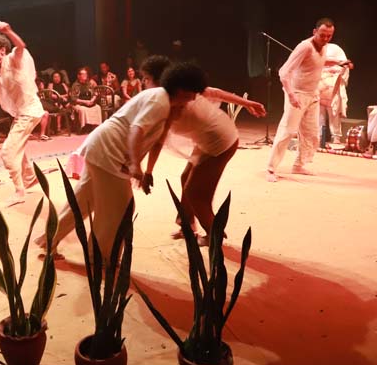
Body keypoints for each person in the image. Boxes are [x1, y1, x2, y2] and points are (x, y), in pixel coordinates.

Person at [38, 62, 207, 256]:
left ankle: (50, 241)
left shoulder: (167, 104)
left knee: (82, 202)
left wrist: (148, 171)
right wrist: (135, 165)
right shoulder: (159, 101)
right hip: (109, 153)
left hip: (102, 149)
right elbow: (136, 130)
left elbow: (157, 142)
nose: (194, 98)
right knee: (120, 209)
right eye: (192, 93)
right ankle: (101, 258)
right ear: (181, 89)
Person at [140, 57, 266, 245]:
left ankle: (214, 235)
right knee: (186, 178)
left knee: (196, 194)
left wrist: (148, 171)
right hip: (210, 137)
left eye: (146, 78)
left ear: (158, 80)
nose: (143, 83)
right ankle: (187, 225)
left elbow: (157, 141)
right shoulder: (177, 93)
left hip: (220, 142)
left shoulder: (178, 96)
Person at [0, 21, 45, 204]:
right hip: (22, 113)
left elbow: (21, 46)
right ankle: (29, 177)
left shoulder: (13, 59)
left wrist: (8, 31)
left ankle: (19, 192)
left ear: (2, 50)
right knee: (17, 147)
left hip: (30, 110)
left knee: (7, 151)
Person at [266, 18, 336, 181]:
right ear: (314, 32)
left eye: (329, 36)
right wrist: (291, 95)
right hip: (297, 93)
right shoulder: (305, 47)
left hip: (313, 94)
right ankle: (271, 168)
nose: (325, 39)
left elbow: (317, 62)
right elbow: (284, 72)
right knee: (288, 130)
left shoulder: (324, 47)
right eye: (322, 35)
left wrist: (339, 63)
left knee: (311, 133)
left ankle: (299, 164)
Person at [317, 42, 353, 146]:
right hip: (319, 85)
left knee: (334, 112)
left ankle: (336, 136)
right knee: (319, 114)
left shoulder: (336, 49)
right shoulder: (314, 49)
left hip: (333, 86)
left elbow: (346, 65)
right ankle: (319, 136)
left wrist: (338, 67)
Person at [70, 67, 102, 132]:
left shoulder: (90, 83)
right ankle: (84, 127)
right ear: (79, 76)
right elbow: (74, 98)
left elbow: (95, 93)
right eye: (83, 74)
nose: (85, 76)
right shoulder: (75, 85)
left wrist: (92, 100)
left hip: (89, 102)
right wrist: (85, 102)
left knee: (97, 107)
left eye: (86, 74)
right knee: (83, 110)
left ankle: (95, 126)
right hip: (79, 103)